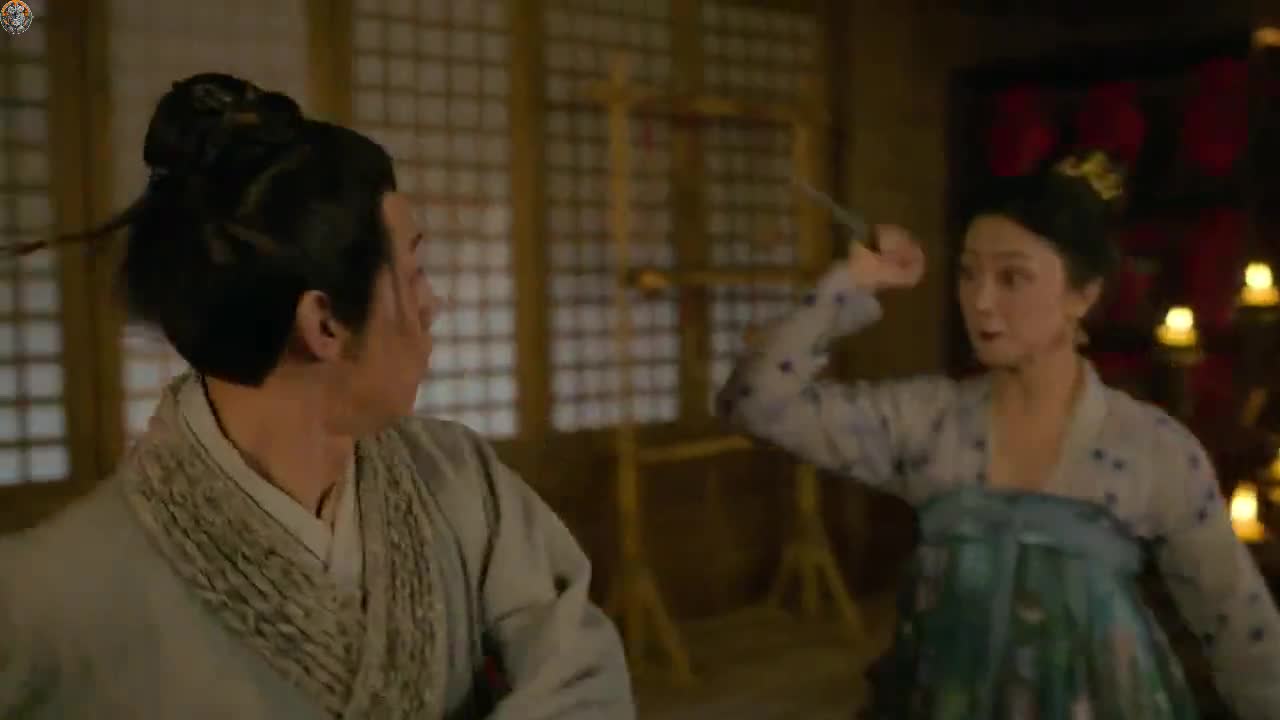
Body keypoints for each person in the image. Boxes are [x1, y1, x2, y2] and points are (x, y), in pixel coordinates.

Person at [0, 74, 634, 720]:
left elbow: (579, 675)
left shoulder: (460, 480)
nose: (433, 302)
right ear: (323, 323)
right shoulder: (49, 596)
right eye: (413, 271)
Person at [717, 149, 1280, 718]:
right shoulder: (927, 421)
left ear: (1082, 295)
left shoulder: (1151, 449)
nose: (981, 301)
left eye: (1012, 277)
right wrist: (853, 282)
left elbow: (1239, 621)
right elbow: (755, 403)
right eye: (968, 274)